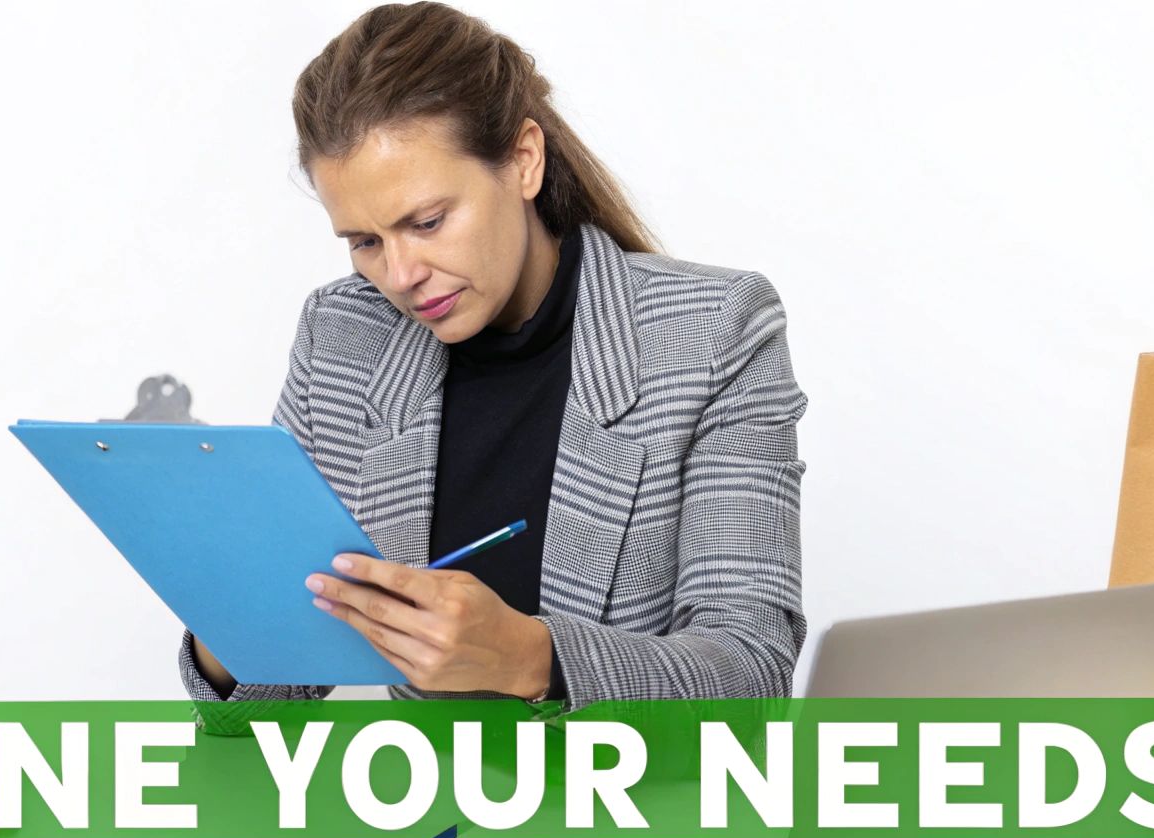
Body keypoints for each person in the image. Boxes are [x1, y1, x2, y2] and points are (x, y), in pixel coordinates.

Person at [181, 1, 807, 712]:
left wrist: (528, 658)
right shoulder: (343, 335)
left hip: (626, 810)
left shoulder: (714, 331)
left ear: (523, 160)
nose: (401, 274)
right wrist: (227, 609)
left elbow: (752, 678)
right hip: (423, 807)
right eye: (364, 242)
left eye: (427, 222)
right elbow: (273, 690)